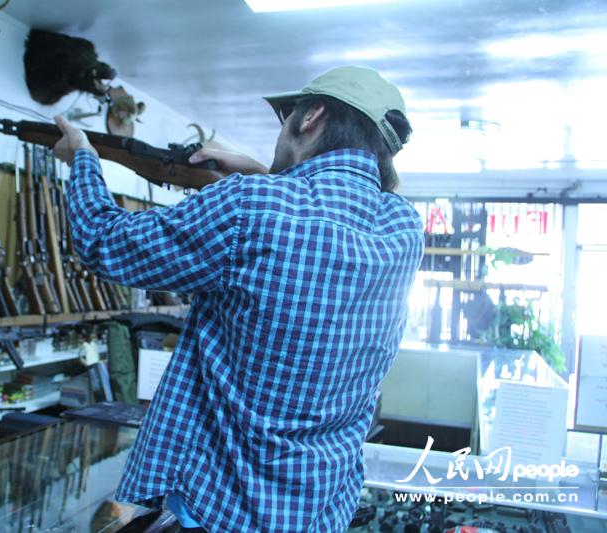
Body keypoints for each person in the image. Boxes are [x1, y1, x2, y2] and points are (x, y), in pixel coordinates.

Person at [53, 66, 424, 532]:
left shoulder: (251, 206)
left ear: (312, 118)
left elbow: (103, 240)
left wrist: (82, 157)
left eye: (288, 115)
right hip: (319, 509)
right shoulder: (404, 229)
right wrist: (260, 172)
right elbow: (337, 210)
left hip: (225, 510)